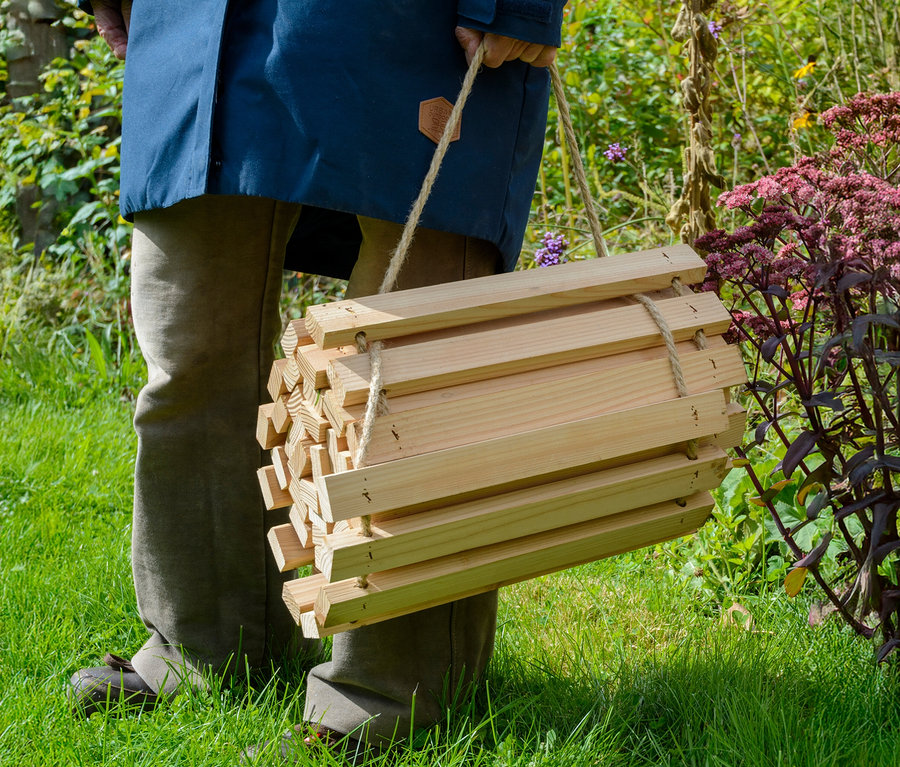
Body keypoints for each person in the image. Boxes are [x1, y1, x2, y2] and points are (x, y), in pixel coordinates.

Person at [68, 0, 567, 757]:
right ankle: (204, 647)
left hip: (410, 23)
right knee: (189, 346)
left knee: (404, 366)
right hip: (195, 22)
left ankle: (394, 684)